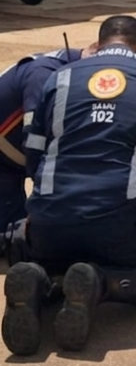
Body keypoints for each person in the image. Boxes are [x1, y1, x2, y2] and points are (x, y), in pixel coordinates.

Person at [2, 16, 136, 356]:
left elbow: (34, 155)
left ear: (98, 43)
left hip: (48, 222)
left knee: (55, 249)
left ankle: (39, 280)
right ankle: (102, 284)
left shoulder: (58, 78)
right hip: (118, 222)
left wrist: (42, 207)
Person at [0, 48, 89, 234]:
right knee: (13, 235)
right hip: (7, 161)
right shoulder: (44, 74)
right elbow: (34, 139)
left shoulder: (73, 72)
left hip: (13, 161)